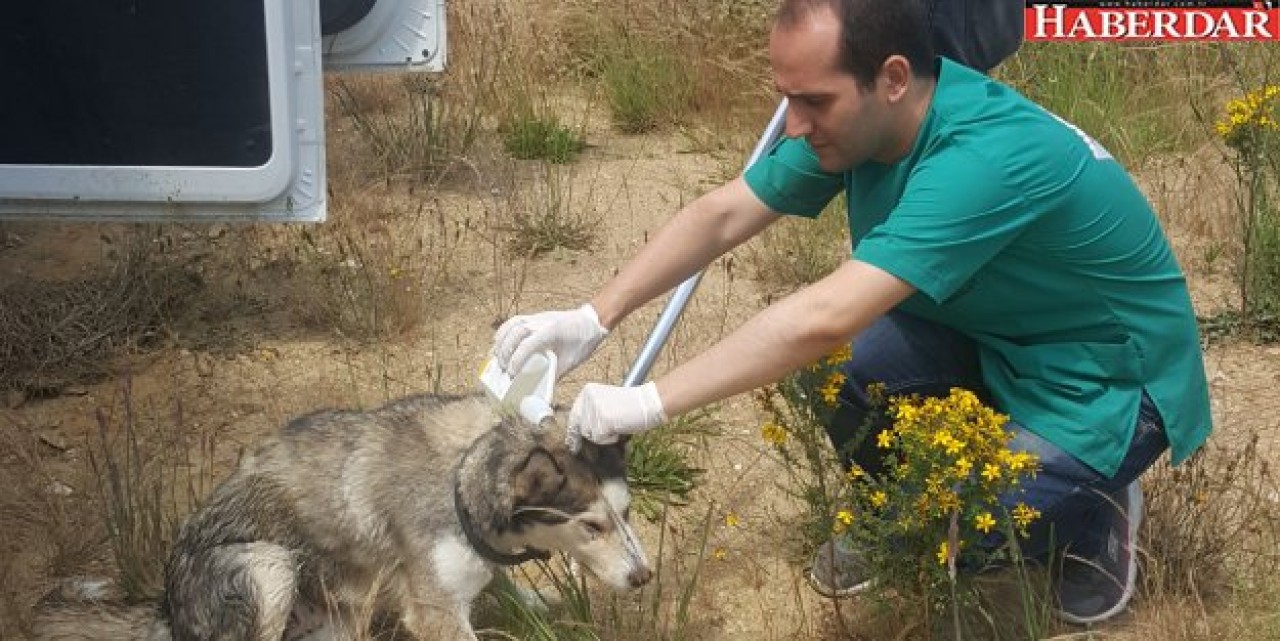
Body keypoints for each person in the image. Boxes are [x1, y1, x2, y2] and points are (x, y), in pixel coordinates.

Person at [489, 0, 1211, 625]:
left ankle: (1094, 511)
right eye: (788, 98)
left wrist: (649, 400)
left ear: (892, 78)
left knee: (954, 527)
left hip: (1107, 382)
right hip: (997, 335)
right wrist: (592, 314)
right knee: (846, 372)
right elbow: (724, 212)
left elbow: (824, 316)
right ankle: (906, 498)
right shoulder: (864, 123)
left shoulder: (982, 158)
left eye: (813, 101)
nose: (795, 124)